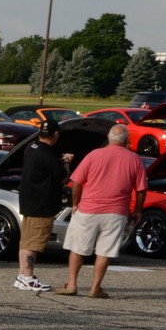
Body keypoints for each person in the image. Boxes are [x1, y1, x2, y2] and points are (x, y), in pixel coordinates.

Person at [61, 123, 147, 298]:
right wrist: (138, 210)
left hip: (88, 209)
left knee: (78, 248)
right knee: (104, 251)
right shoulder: (134, 159)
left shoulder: (94, 155)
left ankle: (71, 284)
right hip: (116, 212)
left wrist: (76, 203)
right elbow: (141, 189)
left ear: (109, 137)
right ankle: (95, 288)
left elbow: (76, 181)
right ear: (127, 140)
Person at [15, 120, 67, 292]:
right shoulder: (48, 154)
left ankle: (22, 275)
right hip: (42, 205)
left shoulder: (32, 147)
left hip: (28, 202)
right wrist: (66, 162)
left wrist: (58, 160)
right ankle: (28, 278)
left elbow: (45, 166)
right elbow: (62, 177)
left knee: (26, 241)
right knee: (34, 243)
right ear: (56, 135)